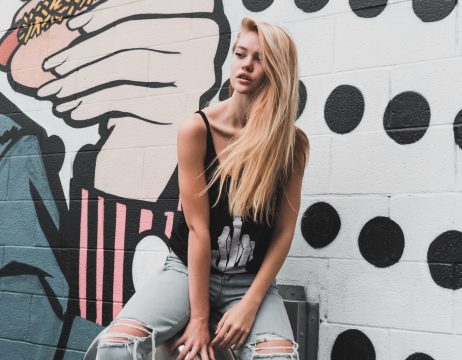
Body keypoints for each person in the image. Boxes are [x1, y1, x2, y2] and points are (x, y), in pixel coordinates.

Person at [83, 16, 309, 360]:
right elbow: (198, 229)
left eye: (259, 58)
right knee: (116, 347)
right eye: (240, 53)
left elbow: (283, 232)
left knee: (279, 357)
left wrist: (250, 305)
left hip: (248, 284)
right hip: (187, 270)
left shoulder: (291, 144)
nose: (245, 65)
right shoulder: (197, 128)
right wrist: (199, 320)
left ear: (278, 70)